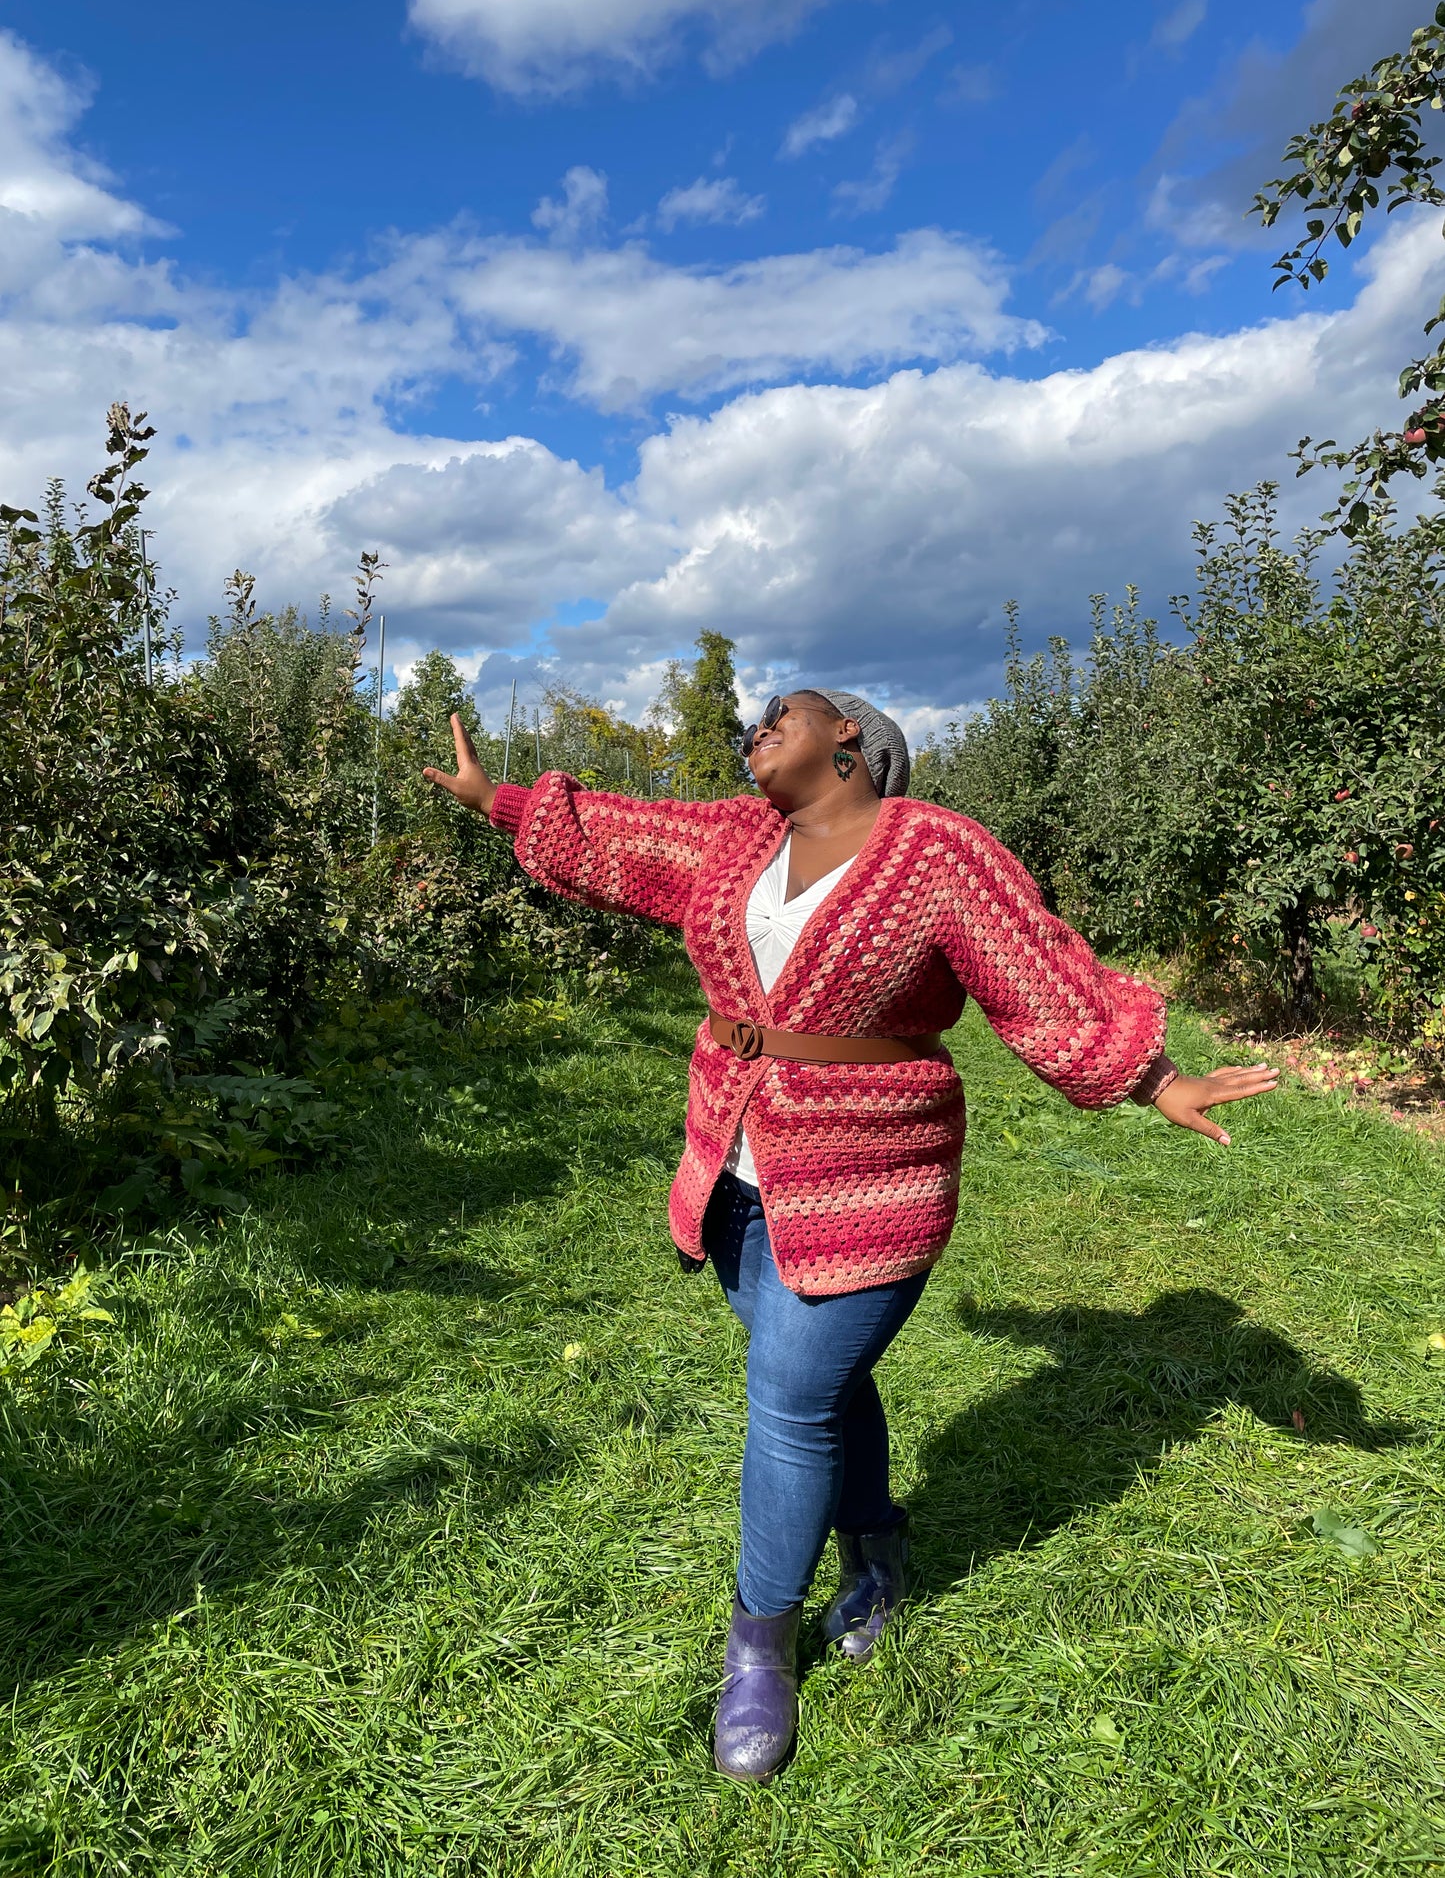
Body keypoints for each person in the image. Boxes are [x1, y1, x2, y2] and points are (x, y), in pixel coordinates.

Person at [423, 689, 1277, 1783]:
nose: (757, 722)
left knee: (786, 1399)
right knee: (822, 1385)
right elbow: (621, 841)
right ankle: (873, 1543)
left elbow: (1037, 978)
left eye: (785, 707)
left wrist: (1156, 1077)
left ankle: (757, 1651)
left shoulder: (935, 851)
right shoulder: (738, 838)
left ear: (851, 740)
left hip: (872, 1176)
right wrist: (494, 799)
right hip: (732, 1168)